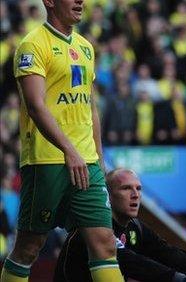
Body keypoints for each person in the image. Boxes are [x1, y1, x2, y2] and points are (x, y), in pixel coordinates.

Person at [1, 0, 124, 281]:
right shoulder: (32, 45)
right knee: (29, 248)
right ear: (50, 2)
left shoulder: (85, 47)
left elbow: (90, 108)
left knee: (105, 244)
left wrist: (99, 161)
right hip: (47, 161)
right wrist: (69, 150)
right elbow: (35, 105)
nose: (80, 1)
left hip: (87, 162)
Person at [54, 168, 186, 282]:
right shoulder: (95, 229)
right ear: (107, 196)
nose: (135, 195)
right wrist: (184, 280)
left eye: (138, 189)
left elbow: (171, 255)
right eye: (126, 188)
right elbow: (134, 264)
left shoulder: (135, 227)